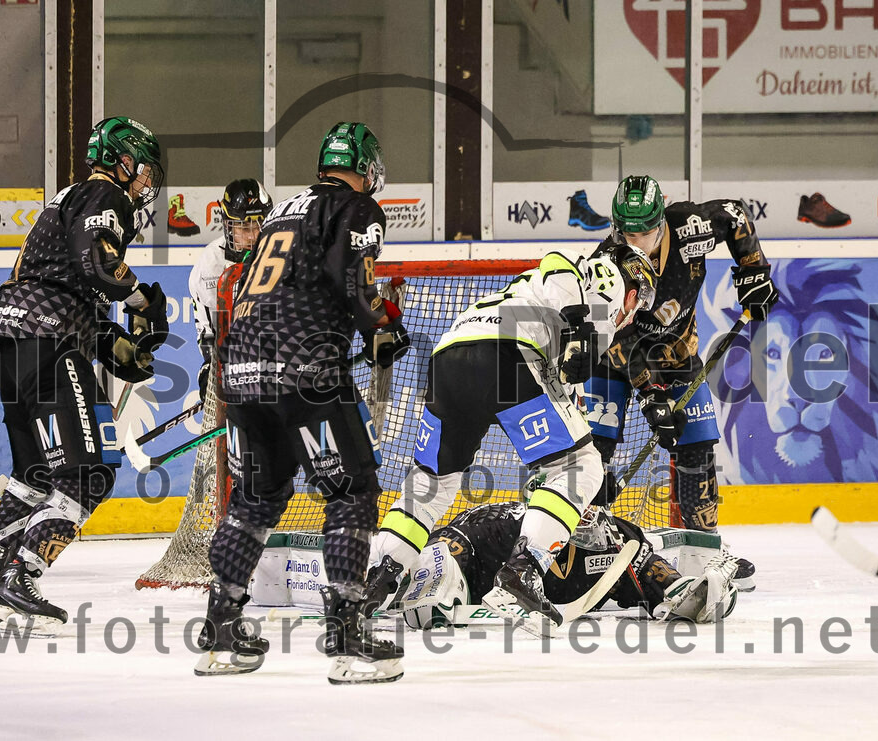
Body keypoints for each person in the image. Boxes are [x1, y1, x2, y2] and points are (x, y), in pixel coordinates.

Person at [195, 122, 410, 684]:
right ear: (365, 166)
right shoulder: (357, 207)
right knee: (352, 489)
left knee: (255, 498)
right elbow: (352, 283)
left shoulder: (285, 208)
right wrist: (384, 323)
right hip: (305, 368)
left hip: (240, 370)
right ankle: (347, 632)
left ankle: (221, 630)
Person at [364, 244, 658, 631]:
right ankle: (520, 574)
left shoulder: (553, 312)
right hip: (506, 351)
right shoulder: (608, 279)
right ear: (634, 294)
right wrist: (582, 327)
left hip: (448, 356)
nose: (630, 316)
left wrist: (589, 492)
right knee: (579, 467)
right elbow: (558, 264)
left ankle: (376, 580)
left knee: (432, 483)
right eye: (637, 308)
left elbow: (561, 414)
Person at [0, 116, 170, 634]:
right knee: (88, 473)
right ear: (123, 162)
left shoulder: (69, 196)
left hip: (13, 333)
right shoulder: (106, 196)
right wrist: (142, 298)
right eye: (144, 172)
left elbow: (65, 280)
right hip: (48, 335)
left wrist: (113, 343)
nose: (145, 185)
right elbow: (95, 263)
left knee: (35, 471)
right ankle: (22, 571)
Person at [584, 175, 780, 592]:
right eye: (628, 232)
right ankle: (583, 551)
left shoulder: (690, 226)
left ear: (662, 221)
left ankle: (704, 552)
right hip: (614, 361)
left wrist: (754, 272)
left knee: (696, 446)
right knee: (594, 452)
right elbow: (617, 341)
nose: (638, 241)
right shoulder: (608, 263)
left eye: (647, 231)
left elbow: (735, 214)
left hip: (676, 355)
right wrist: (651, 395)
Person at [393, 499, 738, 629]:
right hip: (470, 587)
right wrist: (435, 579)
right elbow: (443, 542)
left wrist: (700, 594)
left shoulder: (615, 539)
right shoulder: (504, 522)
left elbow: (665, 582)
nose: (583, 513)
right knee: (426, 607)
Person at [188, 178, 273, 403]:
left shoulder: (280, 255)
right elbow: (208, 332)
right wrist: (210, 369)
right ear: (228, 224)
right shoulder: (209, 266)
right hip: (234, 364)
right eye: (244, 227)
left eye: (258, 225)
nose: (253, 236)